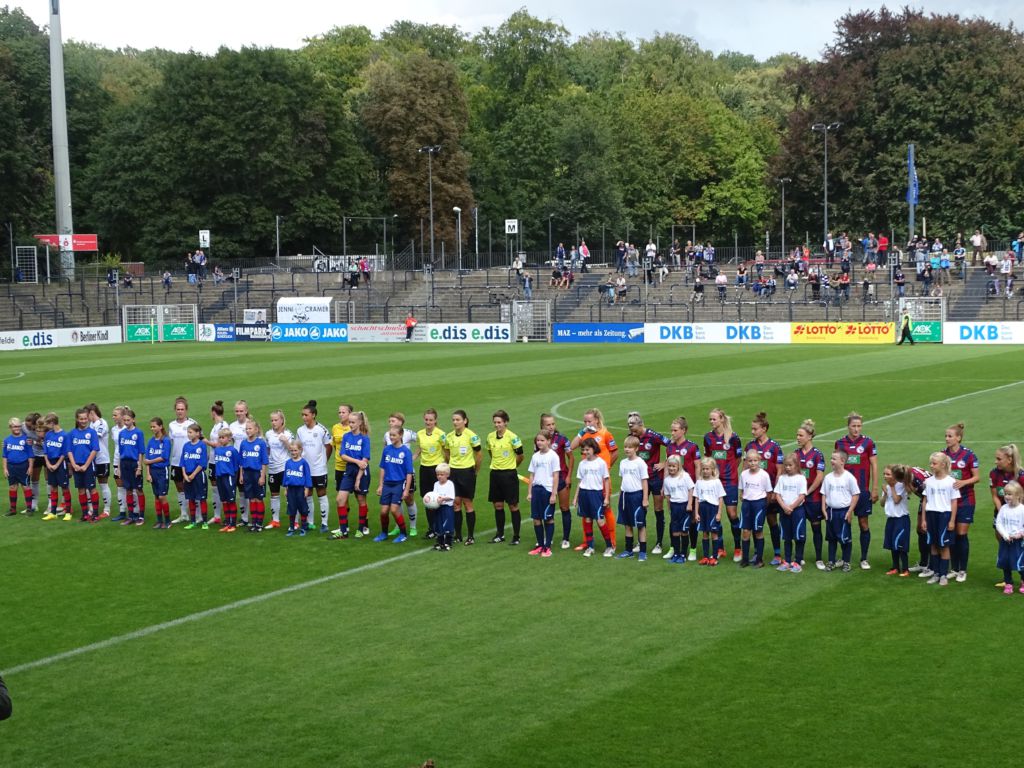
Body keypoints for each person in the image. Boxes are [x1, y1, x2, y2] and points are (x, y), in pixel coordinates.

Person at [569, 408, 618, 552]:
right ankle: (587, 542)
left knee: (605, 509)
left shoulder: (605, 433)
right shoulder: (584, 434)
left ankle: (612, 540)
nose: (587, 424)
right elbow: (571, 447)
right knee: (586, 513)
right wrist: (582, 432)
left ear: (596, 420)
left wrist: (606, 468)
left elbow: (615, 452)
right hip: (587, 479)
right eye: (585, 421)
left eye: (589, 421)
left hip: (601, 480)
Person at [835, 411, 878, 569]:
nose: (856, 429)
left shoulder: (868, 443)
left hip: (862, 490)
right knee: (844, 522)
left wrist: (874, 488)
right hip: (844, 491)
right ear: (848, 426)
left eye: (859, 426)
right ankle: (844, 556)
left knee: (863, 523)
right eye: (853, 426)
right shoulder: (840, 443)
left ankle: (864, 558)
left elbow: (874, 465)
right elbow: (836, 465)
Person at [746, 412, 785, 565]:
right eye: (752, 429)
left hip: (769, 492)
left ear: (764, 428)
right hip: (754, 493)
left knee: (772, 520)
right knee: (755, 523)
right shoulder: (750, 446)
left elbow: (780, 470)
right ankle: (757, 553)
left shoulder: (774, 447)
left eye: (755, 429)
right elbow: (745, 469)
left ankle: (777, 553)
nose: (752, 432)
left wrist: (775, 491)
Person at [626, 413, 668, 555]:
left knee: (658, 510)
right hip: (639, 479)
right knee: (640, 510)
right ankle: (640, 542)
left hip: (655, 478)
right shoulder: (632, 436)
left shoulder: (653, 436)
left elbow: (671, 445)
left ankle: (659, 543)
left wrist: (664, 463)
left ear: (641, 425)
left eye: (635, 430)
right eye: (631, 430)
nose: (633, 433)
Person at [705, 408, 743, 561]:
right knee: (716, 515)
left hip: (730, 481)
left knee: (732, 514)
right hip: (714, 482)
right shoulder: (708, 437)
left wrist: (730, 470)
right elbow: (708, 458)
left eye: (714, 419)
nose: (711, 421)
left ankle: (738, 548)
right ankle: (720, 548)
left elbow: (738, 458)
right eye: (710, 419)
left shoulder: (733, 437)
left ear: (721, 419)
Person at [943, 423, 979, 583]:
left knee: (961, 534)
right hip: (948, 501)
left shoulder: (968, 455)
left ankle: (962, 570)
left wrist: (963, 482)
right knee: (951, 534)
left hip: (965, 500)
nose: (947, 439)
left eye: (950, 436)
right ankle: (954, 568)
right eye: (946, 436)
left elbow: (977, 477)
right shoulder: (942, 455)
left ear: (958, 437)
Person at [662, 416, 701, 559]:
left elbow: (698, 466)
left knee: (692, 520)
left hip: (688, 488)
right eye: (671, 430)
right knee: (674, 520)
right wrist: (664, 484)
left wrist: (698, 486)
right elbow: (667, 466)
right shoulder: (670, 447)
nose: (672, 433)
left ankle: (692, 549)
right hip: (674, 488)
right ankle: (673, 548)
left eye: (675, 430)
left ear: (683, 430)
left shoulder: (692, 447)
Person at [921, 452, 960, 586]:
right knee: (933, 544)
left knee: (943, 546)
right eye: (931, 463)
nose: (931, 466)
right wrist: (923, 520)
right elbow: (925, 501)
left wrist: (952, 520)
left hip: (944, 515)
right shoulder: (928, 481)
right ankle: (936, 573)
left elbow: (954, 502)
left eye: (934, 463)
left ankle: (943, 574)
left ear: (943, 465)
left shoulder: (951, 482)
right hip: (931, 515)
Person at [486, 410, 525, 545]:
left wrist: (512, 466)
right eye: (495, 422)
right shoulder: (490, 437)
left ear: (506, 422)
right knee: (498, 505)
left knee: (513, 505)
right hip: (495, 474)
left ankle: (516, 536)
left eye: (499, 422)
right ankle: (500, 534)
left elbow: (520, 456)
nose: (497, 425)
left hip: (509, 474)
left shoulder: (513, 437)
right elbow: (490, 452)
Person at [444, 409, 481, 544]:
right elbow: (446, 452)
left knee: (467, 503)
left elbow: (479, 455)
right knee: (456, 503)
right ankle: (458, 535)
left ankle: (470, 536)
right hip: (453, 472)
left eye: (458, 419)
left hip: (467, 472)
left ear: (465, 421)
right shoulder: (449, 437)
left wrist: (475, 471)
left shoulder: (472, 436)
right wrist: (450, 465)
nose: (455, 422)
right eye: (453, 420)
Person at [795, 420, 827, 570]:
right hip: (798, 499)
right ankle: (799, 557)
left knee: (816, 528)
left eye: (801, 435)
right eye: (797, 435)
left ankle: (819, 558)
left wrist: (807, 492)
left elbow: (819, 476)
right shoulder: (795, 454)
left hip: (813, 499)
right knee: (799, 528)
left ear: (809, 437)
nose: (798, 438)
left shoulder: (817, 455)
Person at [571, 438, 611, 558]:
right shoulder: (582, 464)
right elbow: (580, 482)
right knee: (587, 520)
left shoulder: (601, 463)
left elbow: (606, 480)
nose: (585, 452)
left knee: (600, 520)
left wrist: (606, 497)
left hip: (596, 494)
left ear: (594, 449)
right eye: (583, 450)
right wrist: (575, 498)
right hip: (584, 494)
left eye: (587, 449)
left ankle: (609, 546)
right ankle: (590, 547)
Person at [297, 400, 332, 533]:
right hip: (306, 469)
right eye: (302, 415)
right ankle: (310, 522)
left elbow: (329, 446)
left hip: (319, 469)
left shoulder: (322, 430)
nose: (304, 417)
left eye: (306, 415)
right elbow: (298, 447)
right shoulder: (300, 430)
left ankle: (324, 523)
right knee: (308, 494)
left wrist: (324, 461)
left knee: (321, 493)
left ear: (313, 415)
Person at [334, 410, 370, 539]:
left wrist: (358, 479)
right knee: (340, 499)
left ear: (360, 423)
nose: (351, 424)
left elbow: (365, 461)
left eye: (353, 422)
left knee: (361, 500)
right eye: (350, 422)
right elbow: (342, 455)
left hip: (362, 473)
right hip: (349, 470)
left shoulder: (364, 439)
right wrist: (356, 461)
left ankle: (361, 529)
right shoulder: (346, 436)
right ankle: (343, 531)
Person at [821, 450, 860, 572]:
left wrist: (850, 511)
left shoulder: (849, 478)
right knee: (831, 538)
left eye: (834, 459)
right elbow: (824, 494)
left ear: (842, 461)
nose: (831, 461)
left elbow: (855, 495)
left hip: (843, 512)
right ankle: (831, 561)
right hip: (831, 512)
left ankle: (846, 561)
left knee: (845, 538)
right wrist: (823, 509)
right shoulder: (828, 477)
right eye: (831, 458)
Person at [540, 413, 574, 549]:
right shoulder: (539, 440)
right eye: (548, 424)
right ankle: (548, 537)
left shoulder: (562, 439)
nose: (551, 427)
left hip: (561, 478)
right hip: (547, 480)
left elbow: (571, 458)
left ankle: (566, 539)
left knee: (564, 508)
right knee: (548, 509)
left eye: (553, 424)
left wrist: (569, 476)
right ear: (542, 426)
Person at [616, 436, 650, 561]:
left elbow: (644, 481)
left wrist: (645, 499)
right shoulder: (622, 463)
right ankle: (628, 550)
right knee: (627, 524)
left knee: (640, 525)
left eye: (630, 447)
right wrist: (620, 497)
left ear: (636, 448)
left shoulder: (640, 463)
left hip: (637, 496)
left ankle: (643, 551)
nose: (627, 449)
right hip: (625, 496)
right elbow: (623, 481)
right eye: (625, 447)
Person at [526, 431, 559, 557]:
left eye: (542, 440)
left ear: (548, 441)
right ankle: (540, 545)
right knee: (536, 519)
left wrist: (553, 494)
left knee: (548, 518)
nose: (539, 442)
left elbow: (556, 476)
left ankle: (547, 547)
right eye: (538, 440)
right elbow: (532, 475)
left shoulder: (553, 456)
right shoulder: (535, 456)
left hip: (547, 490)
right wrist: (530, 492)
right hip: (536, 490)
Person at [376, 427, 413, 543]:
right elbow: (382, 468)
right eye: (390, 435)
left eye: (394, 435)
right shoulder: (387, 449)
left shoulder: (406, 452)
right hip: (387, 484)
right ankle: (384, 533)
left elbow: (409, 473)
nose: (391, 437)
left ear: (400, 435)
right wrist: (380, 485)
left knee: (394, 509)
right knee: (383, 511)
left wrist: (406, 490)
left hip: (399, 484)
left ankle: (403, 534)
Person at [415, 408, 447, 540]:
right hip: (424, 469)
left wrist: (446, 467)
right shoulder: (420, 433)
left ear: (435, 420)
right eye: (426, 419)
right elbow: (419, 448)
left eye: (431, 420)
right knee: (427, 499)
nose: (428, 422)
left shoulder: (441, 434)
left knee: (439, 499)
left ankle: (441, 527)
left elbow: (446, 451)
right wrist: (413, 457)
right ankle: (432, 529)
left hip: (437, 470)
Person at [738, 449, 773, 568]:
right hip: (747, 505)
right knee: (745, 531)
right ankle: (745, 559)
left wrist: (764, 505)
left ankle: (759, 560)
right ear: (746, 461)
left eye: (755, 460)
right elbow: (742, 490)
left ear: (759, 461)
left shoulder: (764, 475)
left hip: (759, 504)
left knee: (758, 531)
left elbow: (769, 492)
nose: (752, 463)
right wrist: (743, 496)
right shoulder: (743, 474)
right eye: (750, 461)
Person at [774, 453, 808, 572]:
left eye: (790, 465)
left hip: (797, 511)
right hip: (784, 511)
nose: (787, 467)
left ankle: (797, 561)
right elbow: (777, 494)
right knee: (787, 537)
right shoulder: (782, 478)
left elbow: (802, 495)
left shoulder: (801, 478)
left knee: (798, 537)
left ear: (796, 465)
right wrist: (784, 507)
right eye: (786, 465)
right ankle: (787, 561)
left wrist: (791, 507)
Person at [168, 396, 197, 524]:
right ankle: (183, 514)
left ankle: (196, 514)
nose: (180, 411)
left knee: (192, 488)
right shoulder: (172, 425)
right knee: (179, 487)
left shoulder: (192, 423)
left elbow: (198, 441)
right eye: (178, 409)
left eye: (182, 409)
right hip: (176, 461)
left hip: (190, 462)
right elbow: (171, 442)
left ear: (186, 410)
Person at [662, 455, 696, 563]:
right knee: (675, 532)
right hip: (674, 507)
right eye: (669, 466)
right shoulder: (667, 480)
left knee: (684, 531)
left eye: (674, 466)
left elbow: (691, 489)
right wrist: (669, 508)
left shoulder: (685, 476)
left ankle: (683, 554)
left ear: (678, 466)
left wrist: (689, 504)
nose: (671, 468)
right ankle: (676, 553)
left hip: (684, 506)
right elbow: (667, 495)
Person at [265, 410, 294, 529]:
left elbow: (293, 450)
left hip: (284, 467)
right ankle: (275, 520)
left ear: (282, 420)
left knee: (289, 494)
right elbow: (267, 449)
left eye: (276, 420)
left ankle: (294, 521)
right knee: (274, 494)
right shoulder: (268, 434)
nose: (273, 422)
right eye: (272, 420)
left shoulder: (288, 434)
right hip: (272, 468)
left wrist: (286, 441)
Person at [693, 457, 725, 565]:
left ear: (712, 469)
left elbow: (720, 498)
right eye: (703, 469)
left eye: (707, 469)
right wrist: (696, 513)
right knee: (705, 533)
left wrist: (719, 513)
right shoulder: (699, 482)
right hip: (703, 509)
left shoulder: (716, 482)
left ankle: (714, 557)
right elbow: (697, 498)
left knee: (714, 533)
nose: (705, 471)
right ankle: (705, 557)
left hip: (713, 509)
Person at [995, 480, 1024, 595]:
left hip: (1018, 542)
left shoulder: (1022, 510)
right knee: (1005, 562)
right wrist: (1005, 535)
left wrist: (1020, 534)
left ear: (1018, 495)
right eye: (1005, 494)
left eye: (1010, 494)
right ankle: (1008, 583)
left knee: (1020, 563)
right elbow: (999, 523)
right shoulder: (1003, 508)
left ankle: (1023, 581)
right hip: (1005, 541)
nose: (1006, 496)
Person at [116, 409, 145, 525]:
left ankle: (141, 516)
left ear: (133, 420)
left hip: (134, 464)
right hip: (124, 464)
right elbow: (120, 452)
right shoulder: (121, 433)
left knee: (138, 489)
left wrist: (139, 467)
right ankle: (131, 515)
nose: (126, 422)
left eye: (128, 420)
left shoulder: (138, 433)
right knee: (128, 489)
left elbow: (141, 451)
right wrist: (118, 468)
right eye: (124, 420)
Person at [239, 419, 268, 531]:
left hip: (257, 473)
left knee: (258, 499)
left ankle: (259, 524)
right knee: (251, 499)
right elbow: (241, 461)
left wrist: (262, 476)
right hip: (247, 474)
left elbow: (264, 461)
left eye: (250, 428)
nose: (248, 430)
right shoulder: (243, 443)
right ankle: (254, 523)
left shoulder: (261, 443)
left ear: (256, 430)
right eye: (246, 429)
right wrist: (241, 475)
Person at [882, 464, 911, 576]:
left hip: (901, 519)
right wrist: (885, 493)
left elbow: (896, 500)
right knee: (892, 544)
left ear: (895, 475)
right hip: (891, 519)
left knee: (901, 545)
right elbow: (882, 503)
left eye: (888, 474)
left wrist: (892, 487)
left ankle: (905, 569)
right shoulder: (887, 487)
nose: (885, 476)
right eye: (884, 474)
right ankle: (895, 567)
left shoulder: (901, 486)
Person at [42, 413, 71, 521]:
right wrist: (48, 464)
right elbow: (45, 451)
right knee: (53, 487)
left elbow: (64, 453)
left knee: (64, 487)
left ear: (52, 423)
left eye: (47, 424)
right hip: (50, 463)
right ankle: (53, 512)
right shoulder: (48, 434)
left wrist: (57, 465)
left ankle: (68, 512)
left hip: (60, 463)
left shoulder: (64, 435)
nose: (46, 426)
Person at [180, 424, 210, 529]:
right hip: (187, 476)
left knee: (202, 498)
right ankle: (193, 521)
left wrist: (193, 474)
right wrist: (184, 474)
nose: (188, 434)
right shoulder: (186, 445)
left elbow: (202, 463)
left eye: (190, 432)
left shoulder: (202, 445)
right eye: (188, 432)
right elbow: (182, 462)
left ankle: (205, 522)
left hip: (198, 476)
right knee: (190, 498)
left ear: (197, 433)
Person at [3, 417, 34, 517]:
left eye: (18, 426)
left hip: (23, 466)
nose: (17, 428)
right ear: (10, 427)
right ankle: (13, 509)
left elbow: (30, 455)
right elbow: (4, 456)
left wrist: (30, 467)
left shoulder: (26, 440)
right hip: (11, 467)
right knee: (12, 487)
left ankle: (29, 509)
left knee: (26, 486)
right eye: (14, 426)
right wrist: (5, 468)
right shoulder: (7, 440)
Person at [144, 418, 171, 529]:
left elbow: (164, 457)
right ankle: (159, 520)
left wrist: (150, 462)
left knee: (162, 496)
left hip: (162, 471)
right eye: (151, 427)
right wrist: (148, 474)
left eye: (154, 426)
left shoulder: (165, 441)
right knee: (156, 496)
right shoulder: (151, 441)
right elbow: (146, 459)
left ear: (160, 426)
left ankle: (168, 521)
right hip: (153, 472)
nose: (152, 429)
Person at [85, 404, 112, 517]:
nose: (85, 418)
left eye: (86, 415)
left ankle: (106, 510)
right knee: (89, 484)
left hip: (102, 459)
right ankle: (91, 508)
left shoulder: (102, 423)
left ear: (92, 413)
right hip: (91, 459)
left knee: (103, 484)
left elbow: (94, 437)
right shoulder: (91, 424)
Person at [330, 403, 353, 532]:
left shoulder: (353, 427)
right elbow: (334, 445)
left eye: (343, 412)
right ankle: (345, 525)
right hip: (339, 466)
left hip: (352, 467)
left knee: (360, 496)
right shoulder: (335, 427)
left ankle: (365, 525)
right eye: (339, 412)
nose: (341, 414)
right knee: (343, 497)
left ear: (350, 414)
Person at [283, 441, 312, 536]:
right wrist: (285, 488)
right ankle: (291, 527)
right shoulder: (288, 463)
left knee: (303, 508)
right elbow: (286, 476)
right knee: (291, 508)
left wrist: (306, 489)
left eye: (295, 450)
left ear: (300, 450)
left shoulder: (304, 463)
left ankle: (304, 527)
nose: (293, 452)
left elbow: (307, 476)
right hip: (291, 489)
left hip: (300, 489)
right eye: (291, 450)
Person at [431, 463, 456, 551]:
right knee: (438, 525)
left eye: (441, 474)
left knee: (447, 525)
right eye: (438, 475)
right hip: (438, 508)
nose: (439, 476)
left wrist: (443, 499)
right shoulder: (436, 484)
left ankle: (448, 543)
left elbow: (452, 496)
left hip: (447, 508)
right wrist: (431, 502)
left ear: (447, 475)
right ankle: (440, 542)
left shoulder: (450, 484)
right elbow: (434, 495)